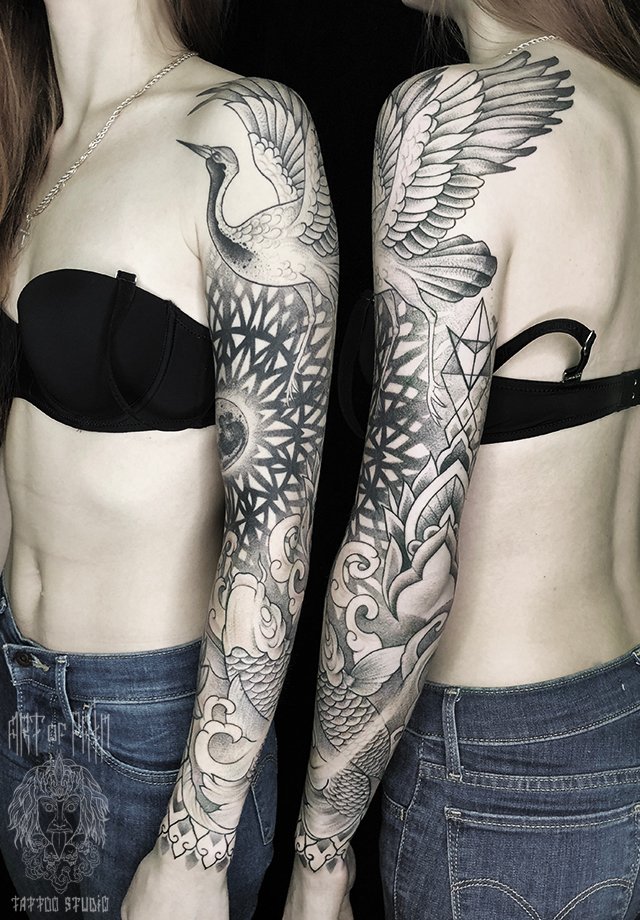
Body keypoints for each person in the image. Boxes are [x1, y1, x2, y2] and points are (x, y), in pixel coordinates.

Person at [283, 1, 640, 918]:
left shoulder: (447, 111)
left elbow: (405, 551)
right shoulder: (630, 110)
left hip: (497, 762)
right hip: (618, 715)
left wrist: (320, 855)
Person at [0, 2, 337, 919]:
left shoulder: (241, 129)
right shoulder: (29, 136)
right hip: (19, 704)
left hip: (157, 731)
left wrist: (197, 840)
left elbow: (275, 523)